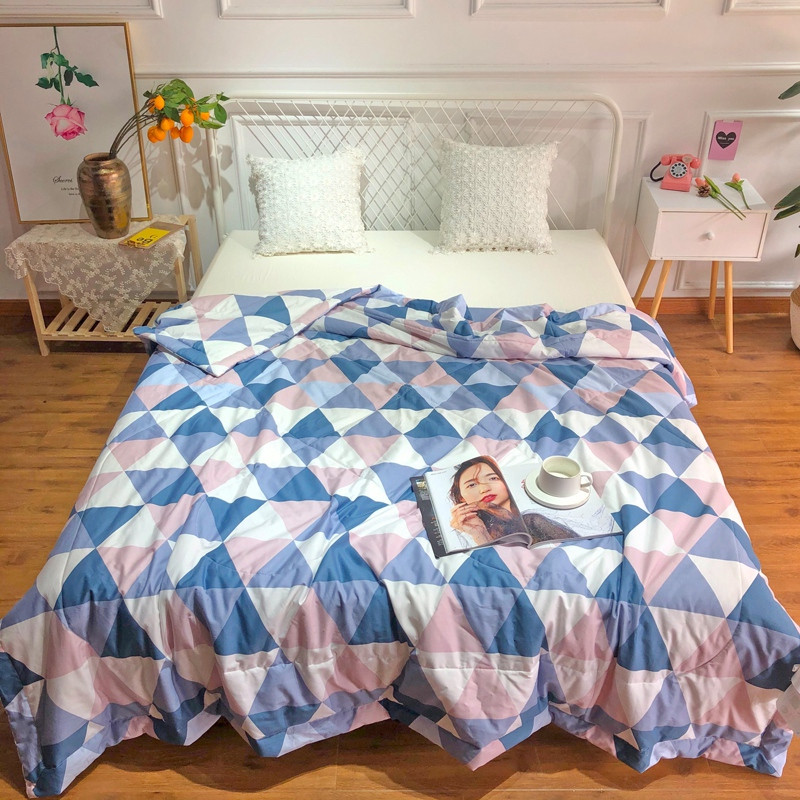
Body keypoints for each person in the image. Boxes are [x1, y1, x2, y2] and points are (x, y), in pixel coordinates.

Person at [448, 455, 579, 548]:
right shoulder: (466, 531)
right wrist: (479, 533)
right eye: (471, 485)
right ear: (461, 497)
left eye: (493, 478)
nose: (484, 489)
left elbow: (577, 546)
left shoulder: (532, 520)